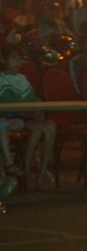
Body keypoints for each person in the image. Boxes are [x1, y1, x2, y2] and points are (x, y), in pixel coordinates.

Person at [0, 45, 58, 187]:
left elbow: (32, 97)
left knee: (50, 127)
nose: (18, 62)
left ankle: (42, 169)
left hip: (25, 116)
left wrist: (39, 108)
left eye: (20, 59)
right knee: (37, 128)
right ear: (4, 60)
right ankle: (25, 166)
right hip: (11, 117)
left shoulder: (22, 78)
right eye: (14, 59)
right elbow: (10, 102)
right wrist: (30, 111)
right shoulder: (2, 79)